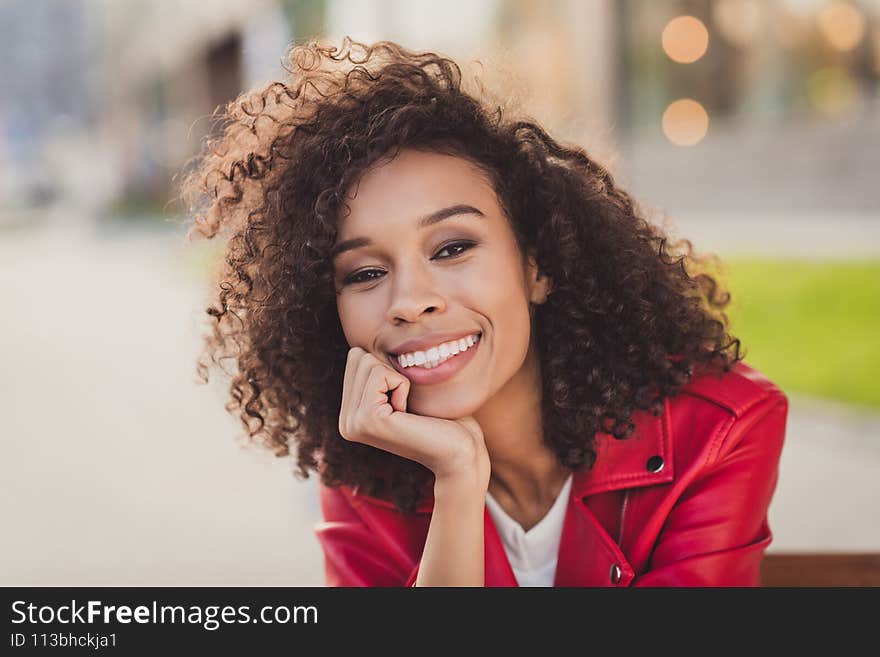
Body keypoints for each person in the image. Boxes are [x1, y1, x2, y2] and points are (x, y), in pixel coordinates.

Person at [181, 37, 788, 587]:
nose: (410, 300)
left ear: (537, 266)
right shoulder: (361, 471)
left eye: (452, 248)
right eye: (365, 273)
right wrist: (458, 478)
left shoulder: (721, 430)